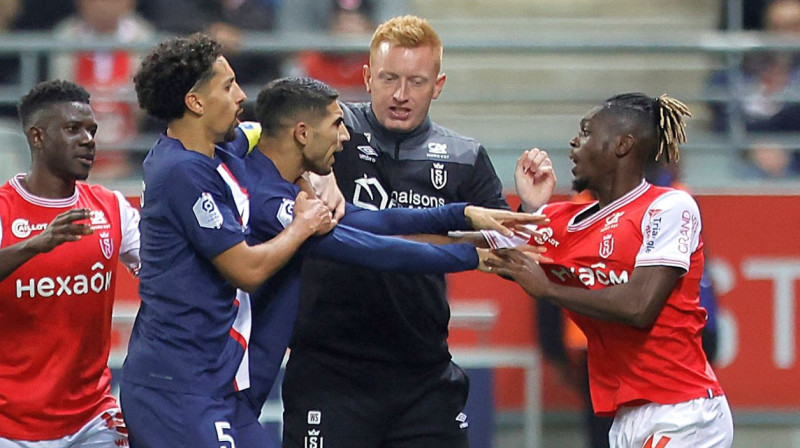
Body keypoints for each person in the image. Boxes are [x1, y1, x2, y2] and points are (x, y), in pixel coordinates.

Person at [241, 76, 547, 422]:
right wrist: (469, 256)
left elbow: (378, 222)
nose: (344, 137)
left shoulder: (283, 191)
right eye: (337, 125)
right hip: (224, 383)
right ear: (302, 133)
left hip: (239, 388)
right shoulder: (269, 202)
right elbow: (375, 250)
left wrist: (463, 213)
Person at [283, 15, 528, 448]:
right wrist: (307, 174)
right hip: (328, 374)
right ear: (366, 77)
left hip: (424, 377)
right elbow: (258, 138)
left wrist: (531, 205)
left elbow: (508, 256)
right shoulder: (326, 134)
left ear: (439, 84)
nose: (400, 95)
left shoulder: (465, 156)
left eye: (416, 82)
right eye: (388, 78)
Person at [118, 33, 334, 447]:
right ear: (195, 102)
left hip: (214, 383)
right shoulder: (181, 172)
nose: (241, 95)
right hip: (174, 388)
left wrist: (319, 176)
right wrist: (302, 225)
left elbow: (271, 135)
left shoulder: (221, 146)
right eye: (228, 85)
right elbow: (248, 270)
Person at [483, 93, 734, 447]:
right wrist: (529, 208)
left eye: (586, 132)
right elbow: (477, 246)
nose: (574, 142)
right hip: (625, 417)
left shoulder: (669, 206)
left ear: (622, 144)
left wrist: (549, 289)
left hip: (682, 411)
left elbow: (639, 306)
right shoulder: (564, 220)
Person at [0, 80, 140, 446]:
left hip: (92, 418)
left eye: (91, 130)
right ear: (37, 136)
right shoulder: (2, 210)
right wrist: (35, 245)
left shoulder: (112, 208)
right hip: (10, 424)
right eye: (72, 129)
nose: (88, 139)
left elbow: (165, 270)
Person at [707, 0, 800, 178]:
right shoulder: (742, 71)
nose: (784, 36)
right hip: (744, 157)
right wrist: (751, 146)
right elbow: (720, 116)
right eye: (776, 27)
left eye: (794, 26)